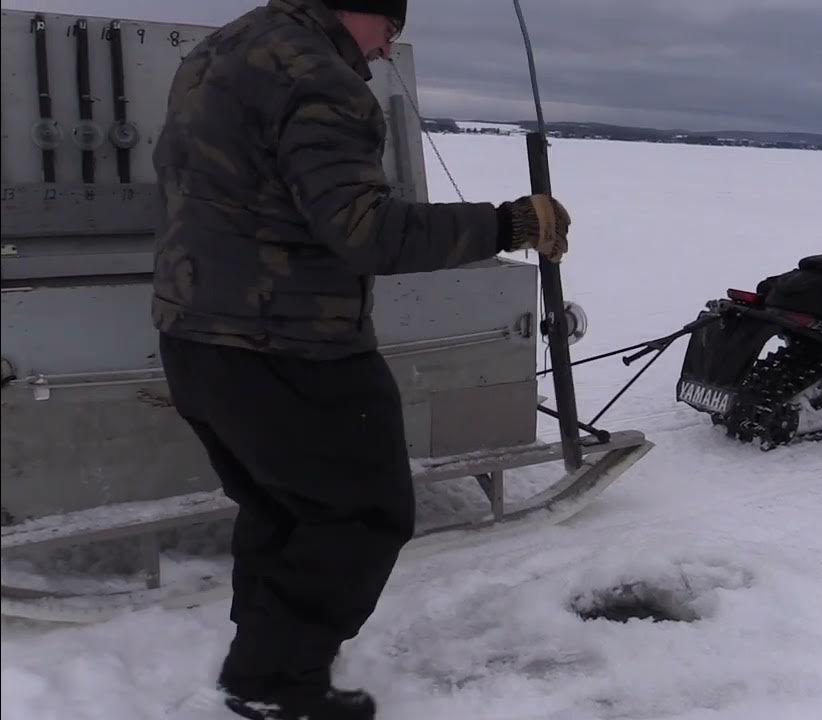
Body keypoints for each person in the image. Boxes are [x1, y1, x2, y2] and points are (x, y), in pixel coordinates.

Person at [150, 0, 570, 718]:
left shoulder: (219, 51)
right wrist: (511, 223)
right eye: (390, 28)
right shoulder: (319, 78)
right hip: (291, 342)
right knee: (362, 514)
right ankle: (273, 686)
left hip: (195, 331)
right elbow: (367, 233)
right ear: (360, 9)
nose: (385, 50)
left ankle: (263, 655)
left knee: (280, 504)